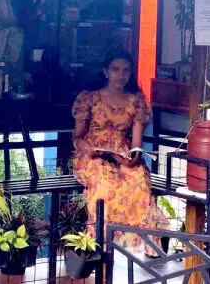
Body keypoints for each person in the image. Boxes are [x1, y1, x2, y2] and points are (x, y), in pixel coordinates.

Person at [72, 49, 168, 255]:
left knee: (139, 181)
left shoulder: (136, 101)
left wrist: (133, 159)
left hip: (121, 154)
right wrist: (84, 146)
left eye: (125, 70)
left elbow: (136, 145)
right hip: (91, 155)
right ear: (105, 71)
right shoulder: (89, 98)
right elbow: (76, 138)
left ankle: (143, 244)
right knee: (104, 183)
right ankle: (100, 245)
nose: (120, 75)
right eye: (115, 70)